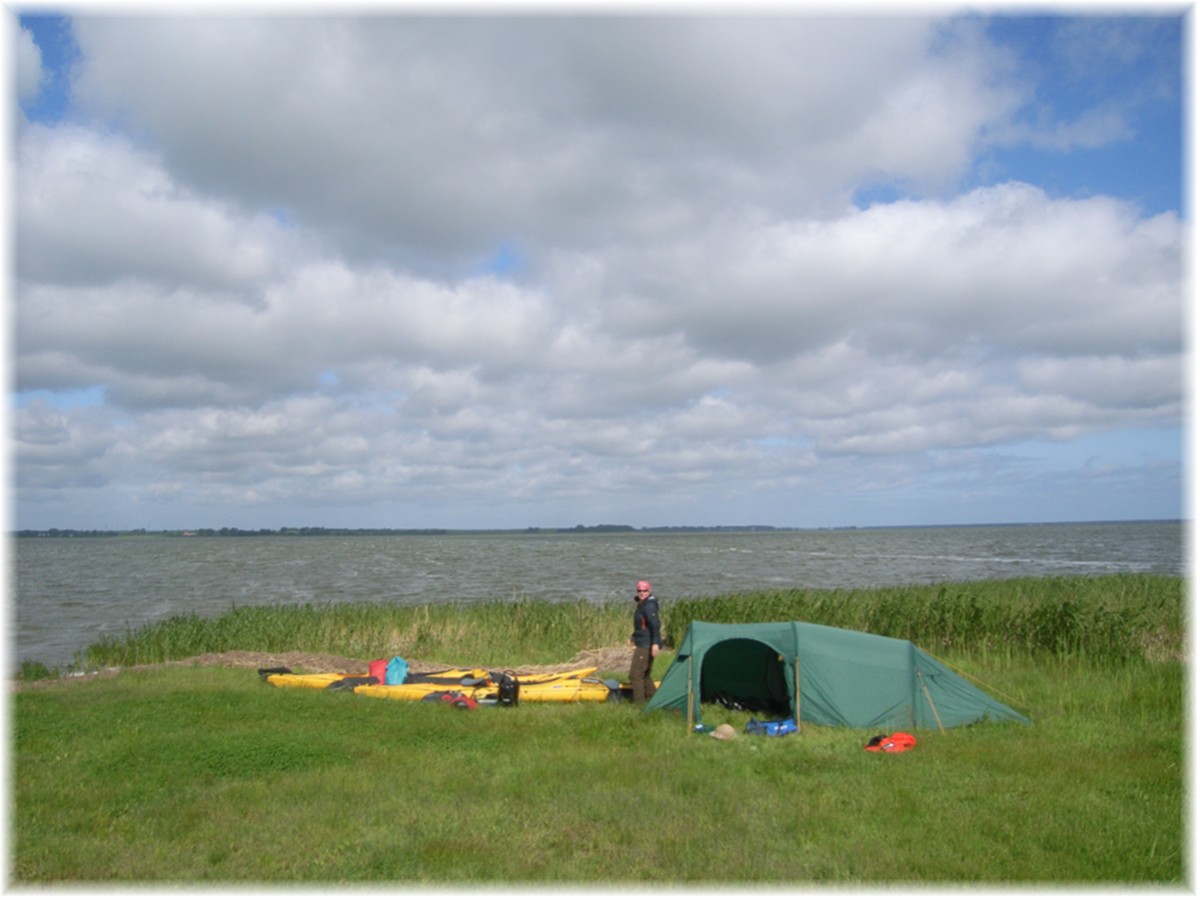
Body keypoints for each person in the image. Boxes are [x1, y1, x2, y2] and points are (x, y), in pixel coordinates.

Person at [628, 579, 661, 703]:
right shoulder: (642, 604)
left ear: (649, 590)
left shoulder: (649, 606)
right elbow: (642, 625)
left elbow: (655, 625)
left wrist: (655, 643)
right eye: (639, 591)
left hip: (646, 645)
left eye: (644, 590)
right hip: (642, 641)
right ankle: (654, 700)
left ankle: (639, 703)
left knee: (635, 674)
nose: (642, 593)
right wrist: (633, 636)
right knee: (645, 673)